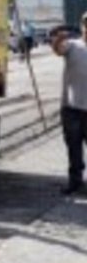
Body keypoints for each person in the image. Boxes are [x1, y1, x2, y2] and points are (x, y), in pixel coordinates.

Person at [50, 25, 87, 194]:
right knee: (73, 146)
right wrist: (58, 39)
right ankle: (75, 182)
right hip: (72, 107)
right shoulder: (72, 45)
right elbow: (58, 50)